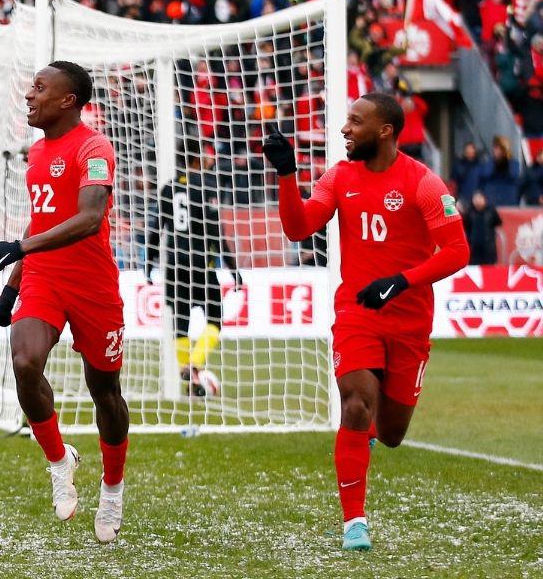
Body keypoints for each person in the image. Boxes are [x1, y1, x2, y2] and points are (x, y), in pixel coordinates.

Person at [261, 92, 469, 552]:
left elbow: (458, 251)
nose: (345, 129)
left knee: (391, 433)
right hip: (357, 312)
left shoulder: (424, 183)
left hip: (410, 322)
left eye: (356, 122)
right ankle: (354, 522)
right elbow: (299, 228)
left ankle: (371, 436)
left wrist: (401, 281)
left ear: (385, 131)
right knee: (355, 404)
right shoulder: (339, 176)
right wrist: (286, 175)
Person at [0, 61, 128, 544]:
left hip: (92, 285)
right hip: (44, 277)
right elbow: (41, 221)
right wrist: (12, 287)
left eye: (40, 88)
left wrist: (19, 248)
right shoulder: (38, 151)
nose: (29, 95)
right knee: (25, 361)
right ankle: (60, 460)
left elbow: (89, 218)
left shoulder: (94, 148)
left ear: (68, 100)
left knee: (105, 391)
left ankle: (112, 488)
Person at [146, 138, 242, 396]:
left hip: (175, 267)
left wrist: (149, 262)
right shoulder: (206, 186)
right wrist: (233, 269)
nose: (210, 159)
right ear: (198, 158)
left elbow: (156, 229)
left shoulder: (168, 189)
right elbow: (216, 234)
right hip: (200, 264)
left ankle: (189, 376)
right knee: (215, 319)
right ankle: (195, 363)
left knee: (181, 323)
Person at [463, 191, 502, 265]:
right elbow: (465, 225)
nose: (478, 201)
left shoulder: (491, 211)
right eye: (476, 199)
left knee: (489, 268)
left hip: (488, 248)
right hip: (474, 248)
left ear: (484, 199)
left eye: (480, 198)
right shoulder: (469, 212)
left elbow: (498, 222)